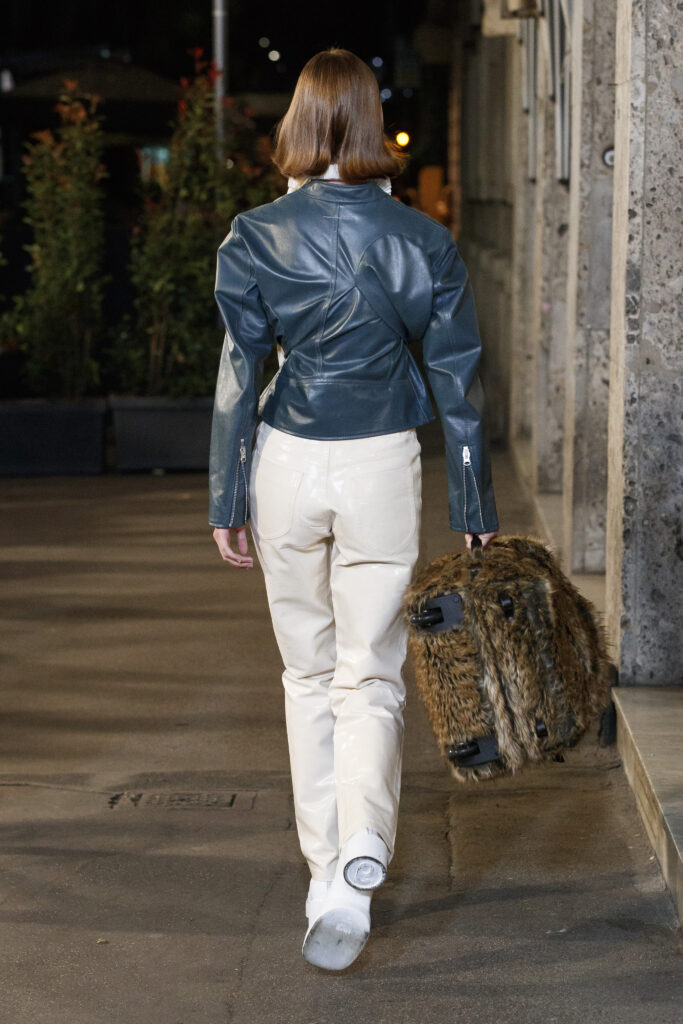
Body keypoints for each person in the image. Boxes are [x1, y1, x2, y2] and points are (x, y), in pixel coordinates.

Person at [209, 47, 499, 971]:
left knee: (306, 675)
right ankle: (360, 847)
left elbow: (238, 374)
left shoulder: (255, 234)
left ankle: (327, 867)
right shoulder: (423, 239)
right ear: (373, 122)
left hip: (288, 461)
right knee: (370, 671)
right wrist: (472, 498)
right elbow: (456, 378)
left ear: (299, 122)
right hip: (380, 459)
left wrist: (225, 493)